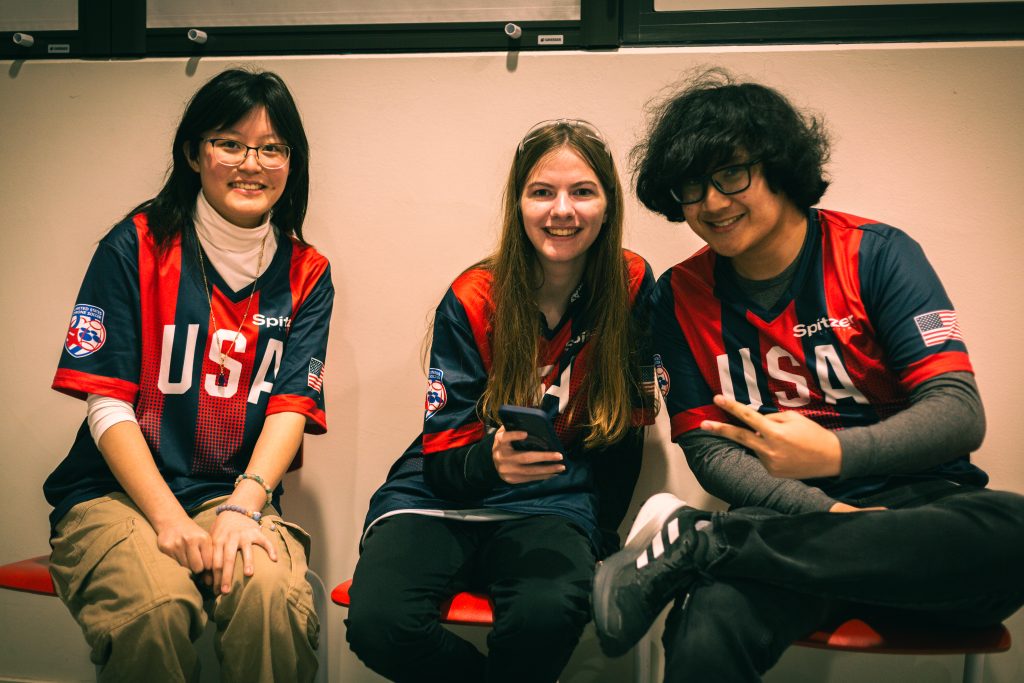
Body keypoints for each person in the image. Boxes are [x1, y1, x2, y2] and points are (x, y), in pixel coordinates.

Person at [592, 69, 1024, 682]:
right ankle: (714, 547)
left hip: (919, 512)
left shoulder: (875, 253)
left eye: (731, 174)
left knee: (1014, 533)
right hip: (785, 517)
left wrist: (835, 454)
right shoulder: (679, 296)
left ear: (778, 166)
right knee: (709, 624)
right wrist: (831, 514)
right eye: (691, 185)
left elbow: (957, 412)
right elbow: (709, 448)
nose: (711, 203)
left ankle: (705, 543)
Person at [44, 68, 333, 682]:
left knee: (273, 600)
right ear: (194, 152)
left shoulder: (308, 272)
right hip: (113, 494)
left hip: (233, 492)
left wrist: (245, 508)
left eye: (272, 149)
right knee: (155, 609)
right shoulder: (135, 245)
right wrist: (169, 520)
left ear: (292, 163)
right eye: (230, 143)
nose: (251, 164)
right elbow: (106, 402)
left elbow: (291, 408)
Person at [345, 119, 655, 683]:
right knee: (379, 624)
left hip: (552, 502)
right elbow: (443, 461)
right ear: (518, 204)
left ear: (609, 203)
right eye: (542, 192)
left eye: (583, 191)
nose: (562, 210)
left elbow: (626, 434)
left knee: (546, 617)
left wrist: (603, 537)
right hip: (437, 497)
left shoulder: (631, 282)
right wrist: (489, 462)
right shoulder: (474, 296)